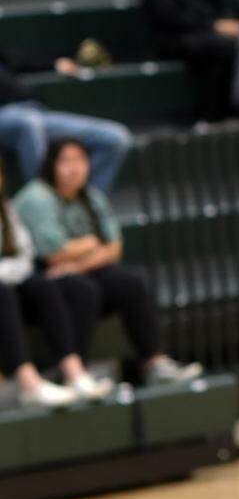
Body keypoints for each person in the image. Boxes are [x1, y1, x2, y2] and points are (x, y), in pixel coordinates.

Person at [15, 138, 202, 387]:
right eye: (66, 161)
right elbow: (55, 253)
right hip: (40, 282)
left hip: (80, 272)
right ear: (51, 165)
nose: (74, 168)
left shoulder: (91, 196)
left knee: (130, 282)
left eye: (80, 160)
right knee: (83, 289)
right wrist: (91, 243)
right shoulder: (36, 198)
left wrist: (79, 261)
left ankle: (154, 363)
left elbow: (114, 248)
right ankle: (73, 372)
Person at [0, 157, 95, 408]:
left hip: (10, 283)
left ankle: (73, 372)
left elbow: (25, 255)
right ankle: (29, 384)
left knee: (44, 285)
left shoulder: (5, 209)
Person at [0, 49, 130, 193]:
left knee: (115, 137)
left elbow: (20, 59)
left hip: (34, 110)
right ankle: (48, 201)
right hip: (10, 117)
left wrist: (55, 64)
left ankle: (85, 206)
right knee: (27, 123)